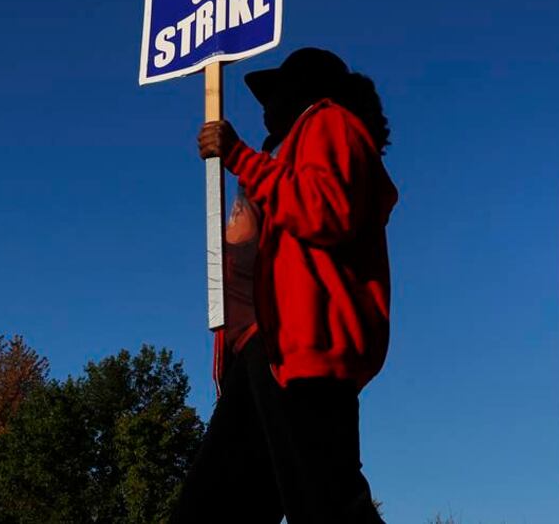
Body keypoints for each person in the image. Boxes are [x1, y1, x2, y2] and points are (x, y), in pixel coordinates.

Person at [170, 48, 398, 524]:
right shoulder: (287, 152)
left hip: (304, 348)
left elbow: (324, 210)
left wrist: (239, 157)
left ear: (303, 91)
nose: (264, 107)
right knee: (216, 506)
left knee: (325, 504)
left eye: (273, 93)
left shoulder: (329, 122)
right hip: (267, 349)